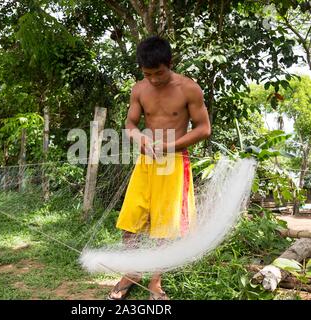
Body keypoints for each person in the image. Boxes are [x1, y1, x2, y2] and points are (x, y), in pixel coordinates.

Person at [108, 35, 211, 300]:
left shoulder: (189, 89)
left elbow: (204, 128)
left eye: (159, 73)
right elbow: (130, 124)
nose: (154, 79)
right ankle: (132, 273)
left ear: (170, 62)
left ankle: (155, 282)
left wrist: (170, 146)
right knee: (130, 220)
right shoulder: (139, 89)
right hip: (147, 160)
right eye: (148, 74)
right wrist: (140, 138)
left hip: (174, 161)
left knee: (164, 226)